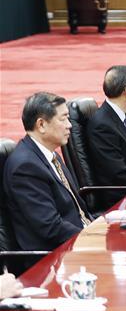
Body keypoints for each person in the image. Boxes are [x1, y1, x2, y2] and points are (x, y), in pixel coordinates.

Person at [2, 93, 92, 250]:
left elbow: (77, 210)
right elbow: (51, 228)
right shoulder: (25, 167)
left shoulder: (50, 154)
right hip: (56, 254)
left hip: (77, 237)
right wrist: (92, 238)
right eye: (63, 119)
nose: (69, 125)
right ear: (41, 125)